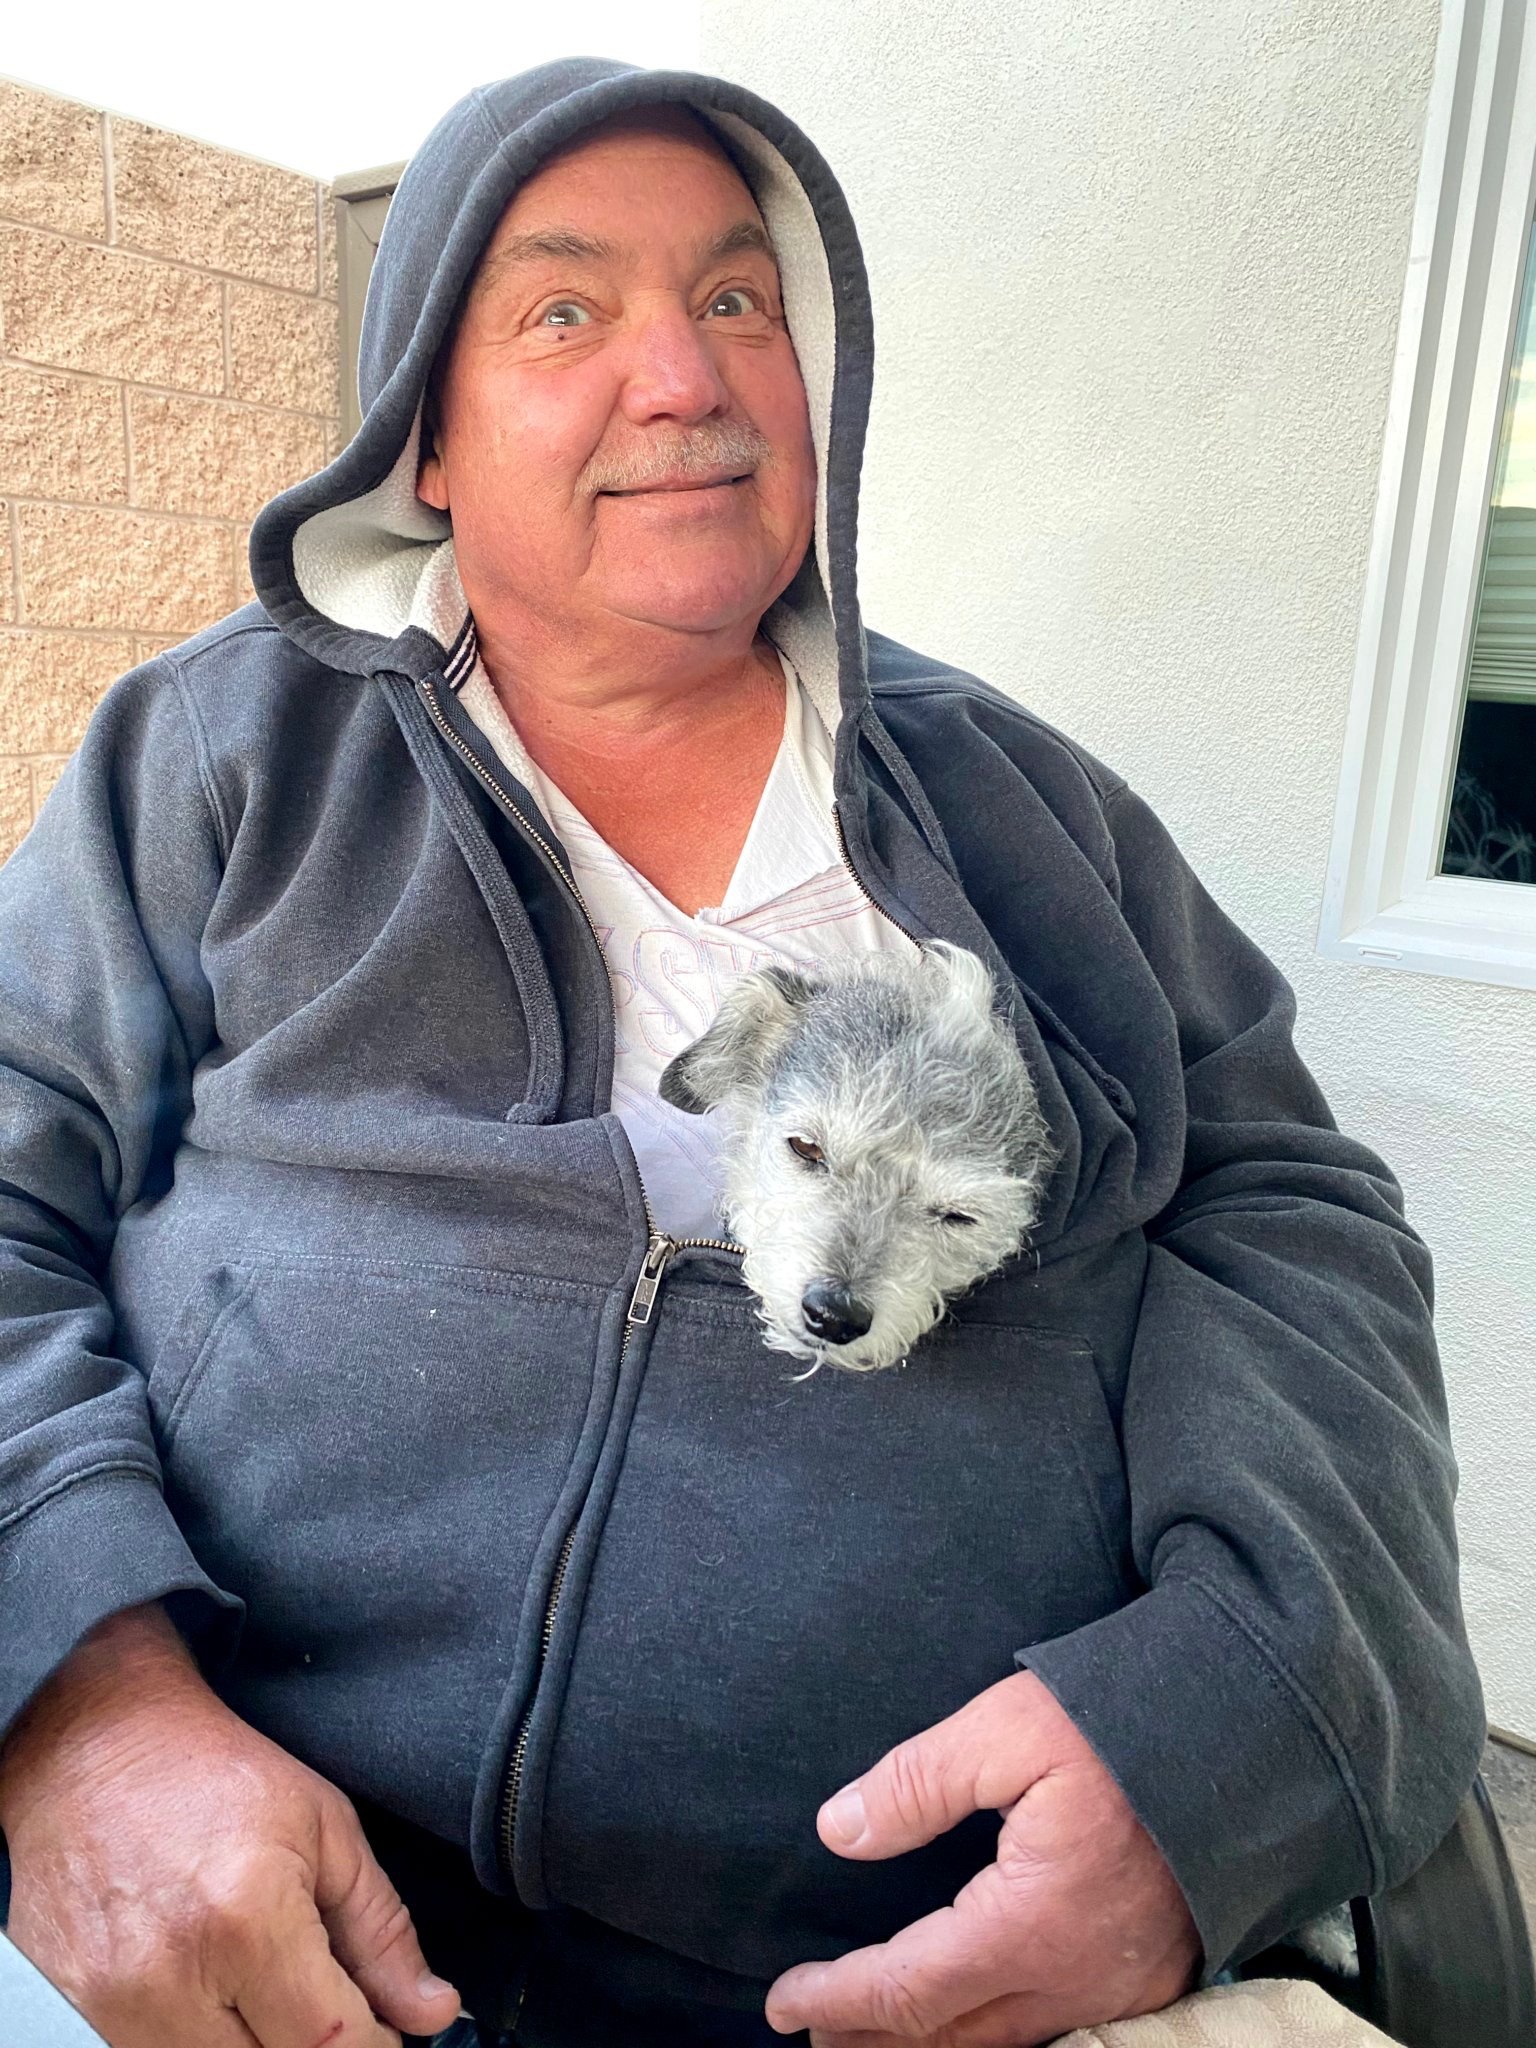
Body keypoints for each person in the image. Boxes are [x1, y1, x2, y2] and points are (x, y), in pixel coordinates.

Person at [0, 56, 1484, 2048]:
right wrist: (81, 1702)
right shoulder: (219, 757)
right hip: (253, 1913)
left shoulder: (1028, 809)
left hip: (931, 1961)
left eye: (737, 300)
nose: (685, 378)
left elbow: (1291, 1209)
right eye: (564, 311)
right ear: (421, 435)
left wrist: (1232, 1723)